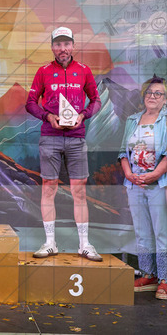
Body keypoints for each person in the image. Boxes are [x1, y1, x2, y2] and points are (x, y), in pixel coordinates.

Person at [26, 26, 102, 262]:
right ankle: (50, 243)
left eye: (66, 44)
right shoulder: (43, 71)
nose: (63, 49)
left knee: (79, 190)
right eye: (58, 44)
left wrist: (83, 115)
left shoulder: (84, 71)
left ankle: (84, 244)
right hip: (50, 137)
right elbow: (30, 102)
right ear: (52, 47)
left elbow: (96, 100)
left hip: (77, 138)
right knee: (49, 188)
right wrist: (48, 116)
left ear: (73, 46)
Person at [117, 76, 167, 300]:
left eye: (158, 93)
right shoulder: (132, 120)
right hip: (134, 184)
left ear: (166, 98)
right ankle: (149, 274)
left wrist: (154, 175)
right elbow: (122, 152)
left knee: (163, 232)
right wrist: (128, 174)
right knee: (142, 232)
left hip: (159, 183)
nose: (152, 96)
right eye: (149, 92)